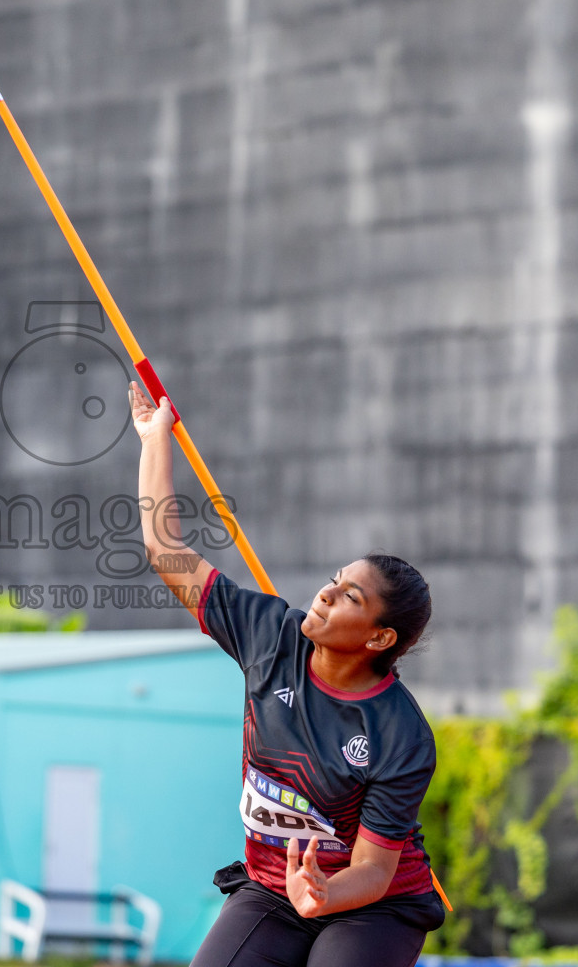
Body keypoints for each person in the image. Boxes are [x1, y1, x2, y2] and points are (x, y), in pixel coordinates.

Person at [129, 382, 445, 967]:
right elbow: (166, 550)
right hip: (273, 890)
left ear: (379, 637)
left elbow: (374, 871)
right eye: (334, 578)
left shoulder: (400, 734)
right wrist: (155, 441)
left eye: (348, 596)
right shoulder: (268, 633)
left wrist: (324, 893)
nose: (325, 593)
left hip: (372, 906)